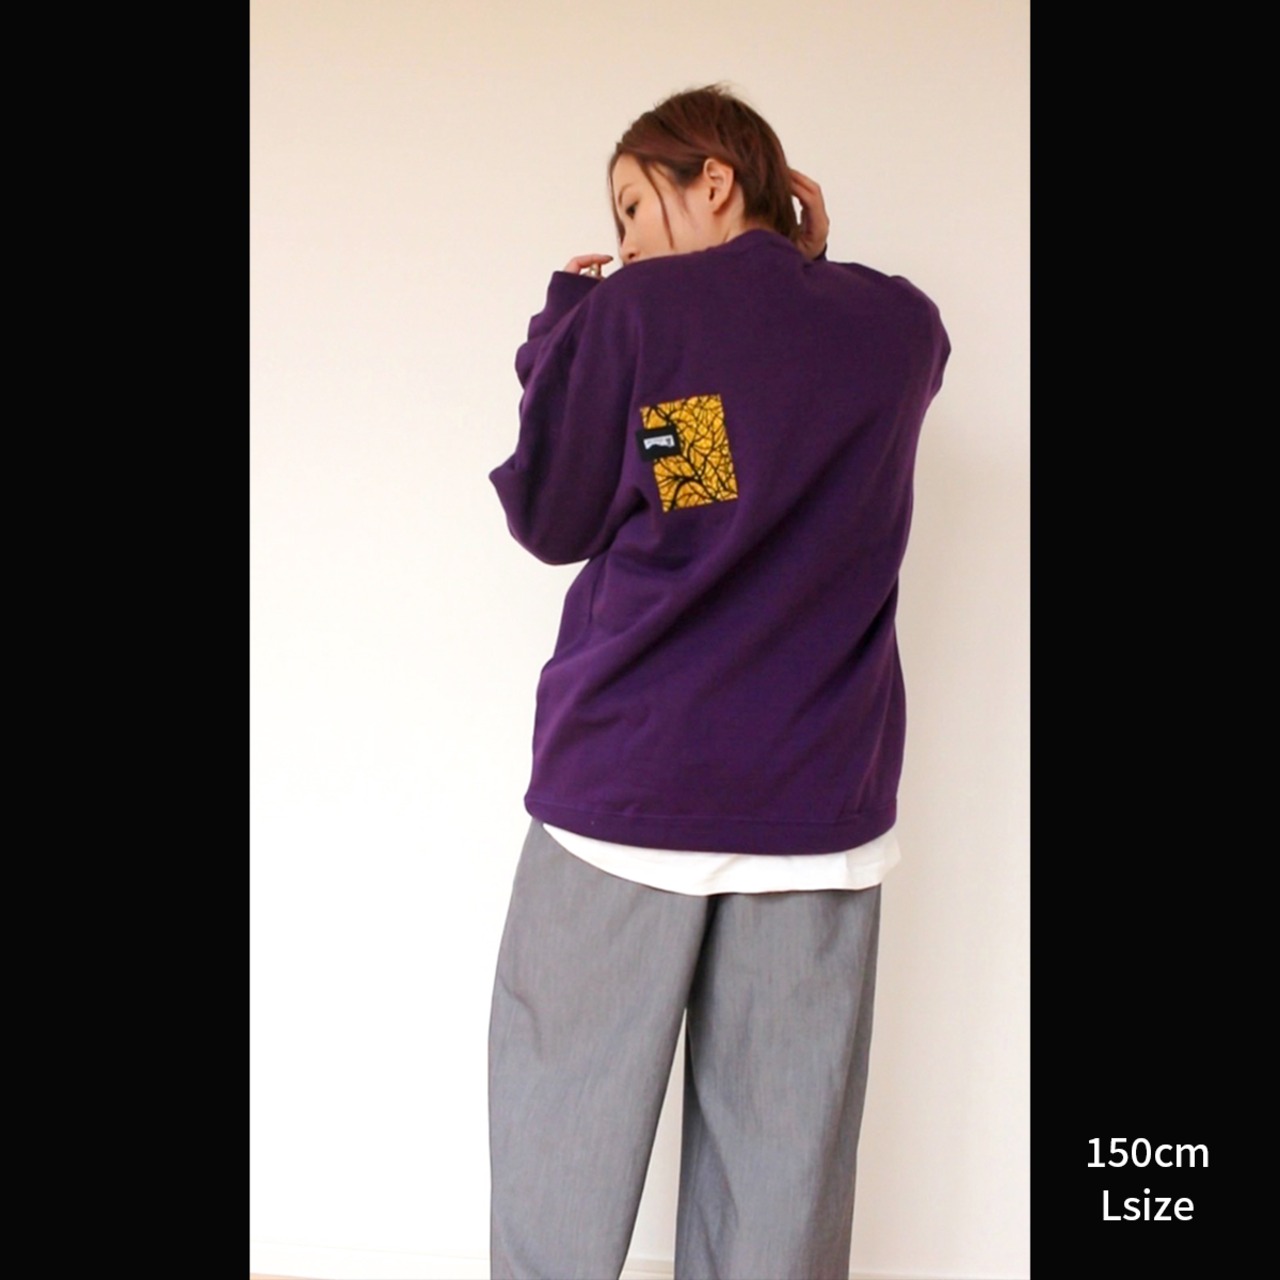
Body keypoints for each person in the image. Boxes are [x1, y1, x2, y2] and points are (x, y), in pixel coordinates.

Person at [488, 85, 949, 1280]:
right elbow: (717, 484)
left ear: (714, 179)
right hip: (814, 809)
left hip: (626, 792)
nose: (627, 240)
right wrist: (808, 263)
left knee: (560, 1147)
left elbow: (553, 513)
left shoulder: (634, 313)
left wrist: (563, 324)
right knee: (778, 1184)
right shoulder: (898, 327)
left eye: (635, 205)